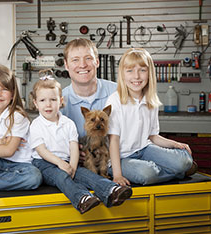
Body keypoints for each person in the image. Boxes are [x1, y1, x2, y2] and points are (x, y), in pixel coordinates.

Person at [29, 71, 133, 214]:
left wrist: (72, 165)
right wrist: (60, 163)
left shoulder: (68, 123)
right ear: (35, 103)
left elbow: (73, 146)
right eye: (42, 101)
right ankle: (82, 198)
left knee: (85, 174)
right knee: (61, 176)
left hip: (67, 161)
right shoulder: (36, 125)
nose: (48, 104)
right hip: (45, 164)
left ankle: (110, 189)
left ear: (60, 101)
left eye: (53, 100)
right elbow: (41, 150)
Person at [106, 48, 197, 186]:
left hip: (145, 149)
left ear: (150, 74)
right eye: (130, 71)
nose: (136, 76)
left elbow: (153, 136)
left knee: (185, 161)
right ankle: (176, 172)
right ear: (122, 75)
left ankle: (171, 169)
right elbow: (113, 141)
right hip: (121, 157)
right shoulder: (115, 101)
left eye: (142, 70)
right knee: (147, 174)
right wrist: (117, 175)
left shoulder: (151, 101)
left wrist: (175, 145)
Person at [61, 38, 117, 138]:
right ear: (66, 65)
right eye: (75, 60)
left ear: (97, 62)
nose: (82, 65)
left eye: (88, 58)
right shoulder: (57, 101)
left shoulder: (118, 92)